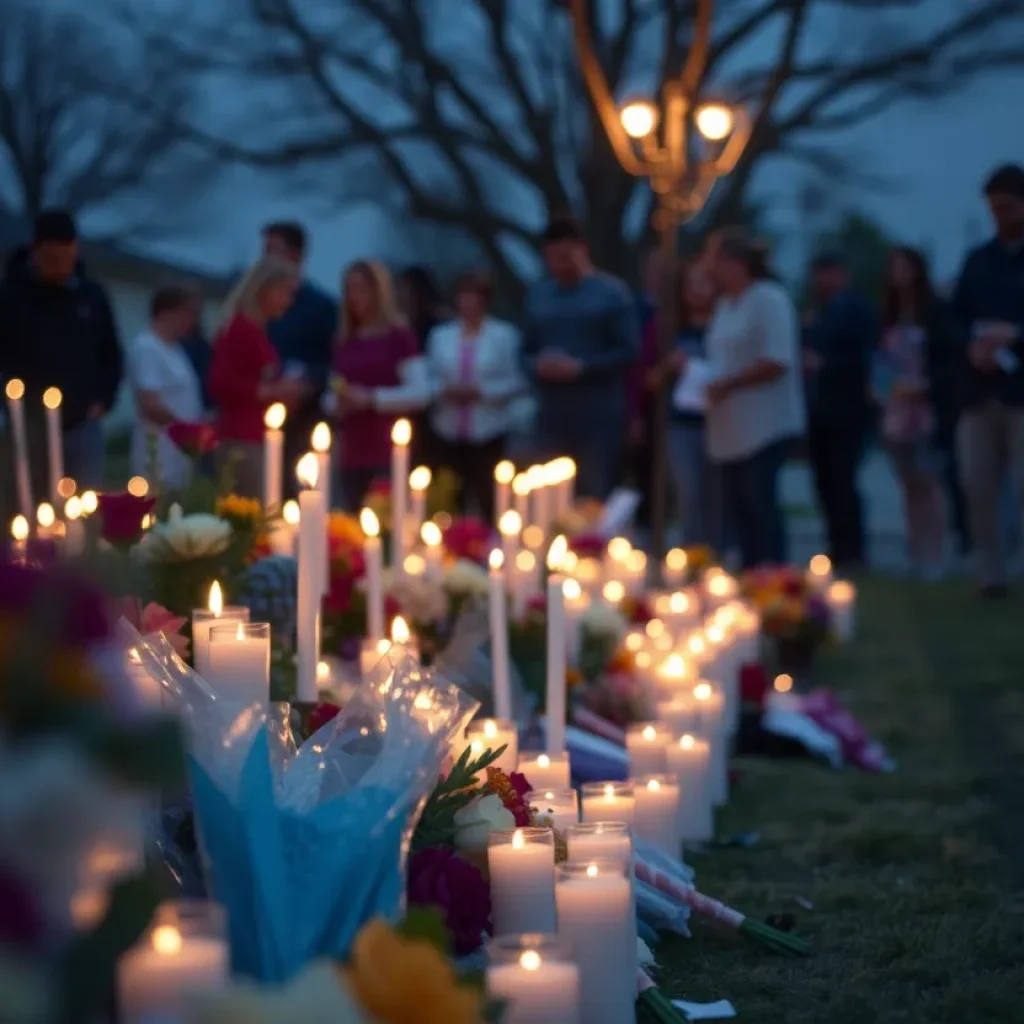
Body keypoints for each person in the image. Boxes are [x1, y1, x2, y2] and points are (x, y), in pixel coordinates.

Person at [378, 271, 525, 520]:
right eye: (463, 297)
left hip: (488, 429)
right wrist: (444, 390)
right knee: (448, 498)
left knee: (489, 497)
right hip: (447, 429)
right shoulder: (441, 336)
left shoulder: (503, 335)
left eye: (473, 297)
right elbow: (430, 375)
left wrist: (482, 391)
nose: (468, 304)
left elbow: (515, 380)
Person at [0, 210, 122, 501]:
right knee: (31, 500)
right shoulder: (11, 297)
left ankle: (79, 548)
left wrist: (103, 399)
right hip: (28, 424)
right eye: (53, 259)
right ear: (36, 251)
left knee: (84, 503)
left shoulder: (91, 296)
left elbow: (111, 353)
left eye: (66, 258)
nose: (61, 266)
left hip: (83, 422)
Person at [703, 231, 804, 568]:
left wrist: (730, 383)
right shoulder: (725, 305)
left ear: (737, 264)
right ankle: (749, 571)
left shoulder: (769, 300)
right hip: (729, 427)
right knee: (740, 509)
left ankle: (772, 571)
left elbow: (777, 359)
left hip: (764, 425)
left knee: (761, 503)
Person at [522, 215, 640, 499]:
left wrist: (582, 367)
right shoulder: (538, 297)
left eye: (566, 255)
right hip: (551, 416)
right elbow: (523, 350)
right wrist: (536, 366)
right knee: (548, 496)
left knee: (593, 496)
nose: (560, 262)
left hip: (597, 418)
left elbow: (629, 351)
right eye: (553, 256)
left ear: (582, 250)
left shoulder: (612, 294)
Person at [951, 163, 1024, 597]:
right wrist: (972, 347)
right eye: (994, 207)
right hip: (980, 394)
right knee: (977, 483)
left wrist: (1014, 334)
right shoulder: (979, 260)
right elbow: (955, 317)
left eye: (1009, 206)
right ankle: (990, 573)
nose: (1001, 215)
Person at [875, 247, 955, 578]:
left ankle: (935, 554)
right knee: (907, 483)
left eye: (905, 267)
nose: (900, 274)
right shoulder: (890, 315)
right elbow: (880, 359)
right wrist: (882, 388)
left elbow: (947, 358)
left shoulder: (934, 312)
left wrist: (925, 385)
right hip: (895, 411)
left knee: (927, 482)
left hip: (924, 411)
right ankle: (914, 551)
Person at [634, 259, 718, 546]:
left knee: (719, 493)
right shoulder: (665, 328)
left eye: (705, 283)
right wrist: (668, 368)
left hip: (721, 421)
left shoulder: (725, 324)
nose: (698, 292)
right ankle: (693, 552)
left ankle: (723, 552)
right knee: (689, 493)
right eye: (691, 285)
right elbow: (646, 378)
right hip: (681, 424)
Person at [803, 252, 878, 571]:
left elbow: (866, 357)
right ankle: (835, 544)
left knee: (843, 479)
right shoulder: (818, 312)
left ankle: (852, 550)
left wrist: (827, 364)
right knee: (825, 481)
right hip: (820, 409)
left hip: (847, 408)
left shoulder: (857, 310)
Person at [328, 261, 421, 512]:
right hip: (351, 449)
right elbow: (332, 388)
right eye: (349, 290)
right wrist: (339, 400)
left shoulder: (398, 336)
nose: (355, 298)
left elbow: (420, 392)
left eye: (361, 289)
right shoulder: (346, 339)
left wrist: (371, 399)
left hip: (386, 447)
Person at [207, 257, 303, 497]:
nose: (288, 301)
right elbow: (220, 383)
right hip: (241, 440)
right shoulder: (242, 329)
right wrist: (272, 391)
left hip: (254, 436)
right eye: (285, 292)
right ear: (265, 289)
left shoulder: (256, 329)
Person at [262, 222, 338, 498]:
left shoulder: (322, 307)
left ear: (295, 255)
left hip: (305, 417)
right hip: (260, 415)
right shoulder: (255, 306)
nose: (265, 258)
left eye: (273, 250)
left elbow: (335, 363)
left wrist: (306, 382)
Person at [128, 286, 205, 490]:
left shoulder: (176, 349)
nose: (192, 320)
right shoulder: (147, 347)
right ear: (166, 312)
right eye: (187, 312)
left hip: (179, 454)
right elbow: (150, 404)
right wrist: (186, 431)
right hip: (156, 454)